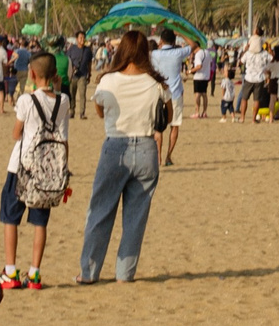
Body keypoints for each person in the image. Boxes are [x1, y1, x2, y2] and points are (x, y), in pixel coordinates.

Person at [83, 31, 166, 283]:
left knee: (100, 212)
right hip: (146, 148)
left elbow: (100, 110)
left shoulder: (108, 80)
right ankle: (124, 274)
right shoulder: (156, 83)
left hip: (115, 147)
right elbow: (167, 117)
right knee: (135, 217)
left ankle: (89, 273)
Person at [1, 52, 70, 291]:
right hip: (49, 169)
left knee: (11, 217)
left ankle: (10, 271)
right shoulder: (64, 101)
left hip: (21, 166)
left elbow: (15, 133)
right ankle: (35, 274)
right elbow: (64, 138)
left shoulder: (26, 100)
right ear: (55, 75)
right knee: (40, 222)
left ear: (32, 74)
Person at [150, 34, 187, 165]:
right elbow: (194, 45)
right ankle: (168, 156)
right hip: (175, 93)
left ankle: (158, 156)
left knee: (158, 127)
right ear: (174, 41)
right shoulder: (178, 52)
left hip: (160, 93)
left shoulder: (155, 54)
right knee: (174, 126)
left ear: (161, 40)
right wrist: (181, 33)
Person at [61, 34, 90, 119]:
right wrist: (70, 70)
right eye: (81, 38)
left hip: (83, 75)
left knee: (82, 94)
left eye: (84, 37)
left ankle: (82, 113)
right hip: (73, 75)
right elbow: (68, 60)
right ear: (77, 39)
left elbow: (89, 63)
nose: (82, 39)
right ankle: (72, 111)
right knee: (72, 94)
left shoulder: (88, 50)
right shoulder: (72, 49)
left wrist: (90, 74)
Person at [192, 40, 214, 119]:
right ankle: (204, 112)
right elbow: (210, 63)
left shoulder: (198, 54)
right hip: (206, 76)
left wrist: (190, 71)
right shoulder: (207, 52)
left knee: (197, 94)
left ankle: (197, 112)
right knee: (204, 94)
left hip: (198, 77)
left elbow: (199, 66)